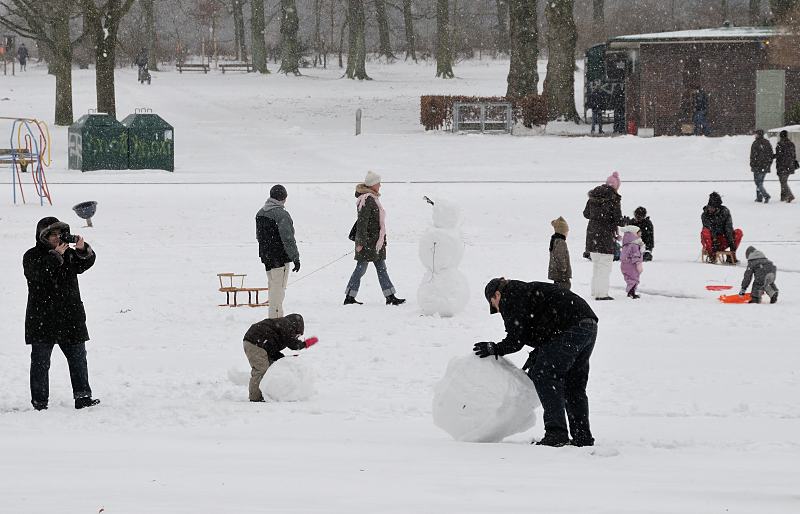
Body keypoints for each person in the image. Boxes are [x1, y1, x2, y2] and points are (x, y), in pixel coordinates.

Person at [473, 278, 598, 447]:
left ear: (496, 294)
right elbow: (542, 324)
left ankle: (556, 433)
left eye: (494, 304)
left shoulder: (511, 296)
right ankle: (582, 437)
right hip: (587, 325)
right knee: (573, 384)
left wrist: (494, 348)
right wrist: (538, 352)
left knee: (544, 375)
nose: (497, 309)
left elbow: (516, 340)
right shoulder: (525, 291)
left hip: (571, 327)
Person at [24, 217, 100, 411]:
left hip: (70, 316)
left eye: (60, 233)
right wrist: (54, 256)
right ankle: (39, 403)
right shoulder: (32, 256)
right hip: (42, 317)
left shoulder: (69, 254)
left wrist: (83, 250)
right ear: (44, 237)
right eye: (54, 234)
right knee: (40, 364)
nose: (59, 238)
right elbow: (37, 275)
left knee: (78, 359)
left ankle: (83, 397)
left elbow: (85, 264)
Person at [344, 171, 405, 306]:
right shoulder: (367, 200)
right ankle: (349, 297)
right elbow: (362, 223)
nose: (380, 185)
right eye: (378, 183)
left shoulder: (372, 198)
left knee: (381, 268)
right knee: (360, 269)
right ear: (373, 185)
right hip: (368, 244)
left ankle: (390, 296)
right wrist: (360, 243)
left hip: (375, 244)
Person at [242, 313, 311, 402]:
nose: (297, 337)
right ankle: (255, 397)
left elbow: (272, 349)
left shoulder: (280, 326)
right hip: (255, 343)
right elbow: (293, 344)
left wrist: (284, 359)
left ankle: (267, 393)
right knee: (261, 369)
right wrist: (304, 344)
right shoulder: (286, 325)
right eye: (297, 335)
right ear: (296, 326)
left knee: (269, 366)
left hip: (258, 342)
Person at [256, 184, 300, 319]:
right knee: (278, 290)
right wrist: (295, 257)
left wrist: (266, 252)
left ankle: (274, 316)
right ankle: (276, 318)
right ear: (283, 198)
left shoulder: (260, 212)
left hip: (266, 257)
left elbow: (259, 236)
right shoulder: (282, 214)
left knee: (272, 287)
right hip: (279, 258)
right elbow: (288, 238)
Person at [583, 172, 623, 300]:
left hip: (592, 236)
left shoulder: (593, 196)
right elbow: (618, 219)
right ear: (616, 186)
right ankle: (602, 294)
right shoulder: (614, 198)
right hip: (605, 237)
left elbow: (586, 214)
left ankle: (595, 291)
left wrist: (597, 216)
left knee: (596, 266)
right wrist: (627, 222)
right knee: (604, 267)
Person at [701, 192, 742, 262]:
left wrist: (731, 244)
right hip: (710, 241)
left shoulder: (725, 212)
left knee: (739, 232)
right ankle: (712, 255)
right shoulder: (705, 215)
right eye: (709, 207)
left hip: (723, 238)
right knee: (705, 231)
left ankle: (731, 255)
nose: (710, 209)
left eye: (712, 208)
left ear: (717, 208)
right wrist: (714, 240)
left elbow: (728, 228)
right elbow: (709, 228)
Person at [619, 226, 644, 299]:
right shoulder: (634, 245)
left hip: (625, 264)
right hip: (632, 265)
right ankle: (631, 293)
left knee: (629, 279)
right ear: (634, 234)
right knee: (634, 279)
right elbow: (635, 255)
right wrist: (638, 264)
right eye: (639, 232)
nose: (640, 234)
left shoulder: (626, 244)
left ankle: (631, 292)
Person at [750, 129, 774, 203]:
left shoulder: (755, 143)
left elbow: (753, 155)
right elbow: (771, 154)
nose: (755, 135)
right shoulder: (767, 142)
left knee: (758, 182)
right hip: (765, 166)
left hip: (757, 166)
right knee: (760, 182)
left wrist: (752, 164)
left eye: (756, 134)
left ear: (758, 135)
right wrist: (769, 163)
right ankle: (759, 197)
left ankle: (765, 196)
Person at [548, 216, 572, 290]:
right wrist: (563, 268)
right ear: (562, 232)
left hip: (556, 272)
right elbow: (559, 256)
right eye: (566, 232)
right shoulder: (561, 242)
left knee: (557, 288)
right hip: (561, 273)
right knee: (564, 287)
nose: (567, 233)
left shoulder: (555, 240)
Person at [774, 130, 796, 202]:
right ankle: (783, 197)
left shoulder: (780, 144)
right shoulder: (791, 144)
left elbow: (779, 155)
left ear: (780, 136)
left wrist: (772, 156)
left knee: (783, 182)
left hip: (782, 166)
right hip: (790, 165)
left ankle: (790, 196)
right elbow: (794, 155)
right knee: (783, 181)